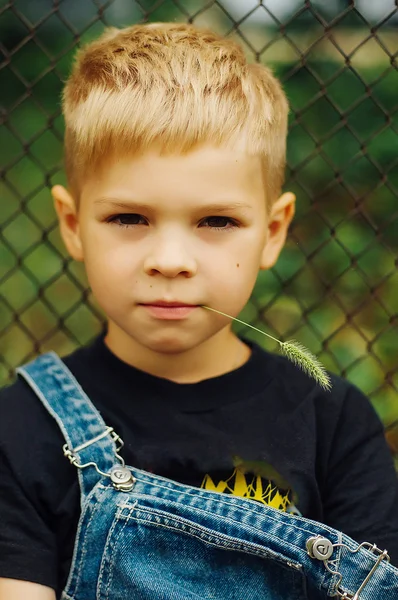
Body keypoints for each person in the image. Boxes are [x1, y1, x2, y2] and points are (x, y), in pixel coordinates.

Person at [0, 21, 397, 600]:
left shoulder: (333, 424)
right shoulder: (21, 429)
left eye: (216, 221)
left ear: (272, 231)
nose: (170, 260)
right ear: (72, 224)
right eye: (129, 218)